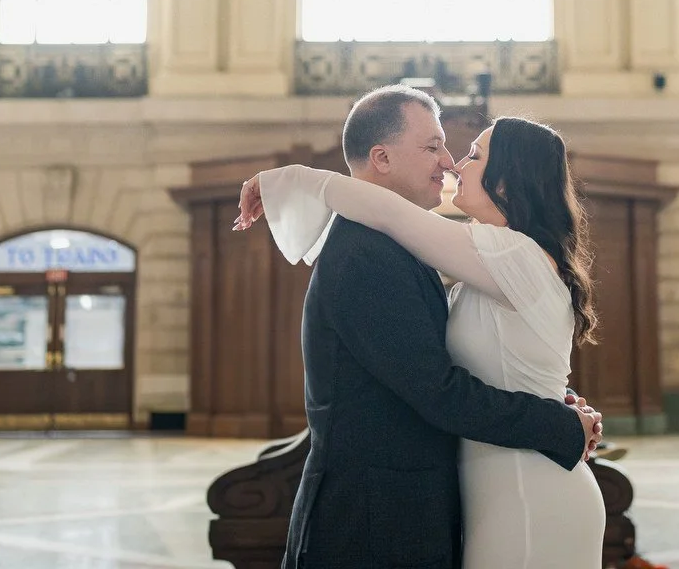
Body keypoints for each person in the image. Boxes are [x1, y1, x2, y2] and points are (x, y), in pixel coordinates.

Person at [234, 85, 602, 569]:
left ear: (508, 183)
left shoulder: (483, 251)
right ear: (382, 158)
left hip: (499, 494)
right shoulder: (368, 252)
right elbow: (438, 389)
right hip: (372, 522)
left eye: (468, 154)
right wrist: (559, 420)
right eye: (434, 146)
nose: (451, 162)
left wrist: (292, 180)